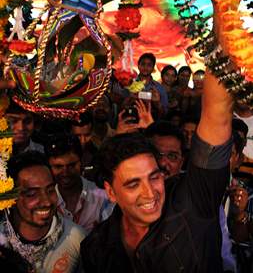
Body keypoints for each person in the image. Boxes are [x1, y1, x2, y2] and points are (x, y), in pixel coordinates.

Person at [80, 68, 233, 272]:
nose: (150, 192)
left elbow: (218, 114)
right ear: (110, 192)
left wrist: (224, 40)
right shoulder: (96, 247)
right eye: (133, 184)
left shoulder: (192, 202)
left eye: (154, 177)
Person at [0, 151, 85, 273]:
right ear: (11, 198)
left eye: (50, 190)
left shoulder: (77, 239)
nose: (46, 202)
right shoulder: (1, 237)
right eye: (32, 194)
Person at [45, 134, 114, 234]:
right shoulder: (45, 200)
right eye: (58, 167)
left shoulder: (102, 197)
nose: (65, 173)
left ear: (82, 161)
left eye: (71, 165)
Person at [137, 52, 168, 117]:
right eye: (143, 64)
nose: (145, 67)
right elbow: (120, 107)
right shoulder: (129, 83)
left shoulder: (159, 88)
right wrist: (130, 98)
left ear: (153, 68)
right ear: (138, 65)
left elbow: (165, 114)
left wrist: (157, 103)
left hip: (152, 124)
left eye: (149, 65)